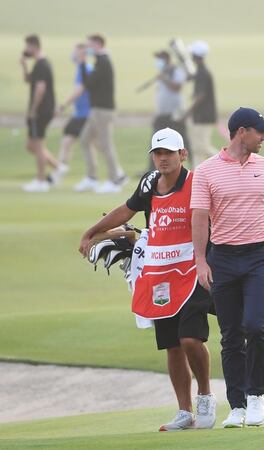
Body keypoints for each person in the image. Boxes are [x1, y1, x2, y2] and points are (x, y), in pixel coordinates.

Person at [77, 128, 216, 431]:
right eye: (157, 153)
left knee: (190, 338)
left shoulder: (197, 183)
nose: (162, 158)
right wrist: (91, 231)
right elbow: (126, 210)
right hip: (159, 273)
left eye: (168, 153)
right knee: (172, 346)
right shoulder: (149, 183)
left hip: (193, 272)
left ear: (183, 154)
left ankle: (205, 394)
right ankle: (184, 410)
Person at [191, 107, 264, 428]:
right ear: (241, 132)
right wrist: (200, 260)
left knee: (255, 325)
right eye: (260, 132)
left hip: (258, 258)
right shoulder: (206, 171)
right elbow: (199, 218)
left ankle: (256, 397)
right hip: (222, 259)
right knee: (231, 335)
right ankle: (236, 406)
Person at [74, 33, 128, 194]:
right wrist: (84, 64)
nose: (88, 48)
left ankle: (115, 180)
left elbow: (88, 84)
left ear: (98, 44)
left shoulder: (103, 61)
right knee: (85, 140)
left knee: (106, 144)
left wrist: (83, 63)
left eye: (90, 44)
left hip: (104, 110)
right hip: (95, 109)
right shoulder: (98, 61)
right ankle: (92, 177)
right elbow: (88, 83)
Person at [20, 34, 59, 193]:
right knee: (31, 145)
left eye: (27, 46)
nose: (25, 49)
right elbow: (29, 81)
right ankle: (58, 167)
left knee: (38, 144)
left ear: (34, 46)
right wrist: (23, 65)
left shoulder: (43, 64)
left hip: (41, 110)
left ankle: (41, 181)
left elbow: (40, 88)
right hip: (40, 109)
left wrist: (34, 109)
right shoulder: (37, 64)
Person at [53, 43, 92, 183]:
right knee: (68, 142)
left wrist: (62, 106)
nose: (73, 55)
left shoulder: (85, 69)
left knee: (96, 145)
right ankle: (58, 174)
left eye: (76, 52)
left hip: (85, 114)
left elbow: (79, 90)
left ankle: (114, 175)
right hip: (80, 113)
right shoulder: (81, 69)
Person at [146, 50, 190, 171]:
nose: (157, 62)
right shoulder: (163, 71)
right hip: (162, 114)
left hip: (175, 114)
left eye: (159, 59)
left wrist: (164, 78)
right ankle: (151, 169)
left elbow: (177, 87)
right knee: (156, 141)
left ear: (166, 58)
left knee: (183, 140)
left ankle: (191, 166)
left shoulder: (176, 70)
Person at [183, 40, 218, 167]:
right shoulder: (200, 72)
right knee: (197, 149)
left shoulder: (203, 72)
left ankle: (229, 162)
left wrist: (188, 112)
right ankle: (197, 175)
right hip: (201, 116)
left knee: (202, 147)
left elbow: (201, 96)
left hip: (204, 116)